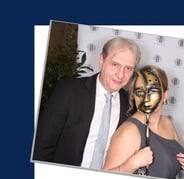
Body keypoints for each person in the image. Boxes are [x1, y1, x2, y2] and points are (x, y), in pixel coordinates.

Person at [33, 37, 141, 168]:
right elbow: (42, 146)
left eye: (128, 68)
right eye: (115, 64)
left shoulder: (131, 105)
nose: (120, 74)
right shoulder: (69, 91)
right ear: (101, 60)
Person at [102, 65, 184, 179]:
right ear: (133, 96)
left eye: (152, 91)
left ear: (165, 95)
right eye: (140, 92)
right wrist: (132, 165)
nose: (146, 98)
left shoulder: (167, 122)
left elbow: (169, 160)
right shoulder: (129, 131)